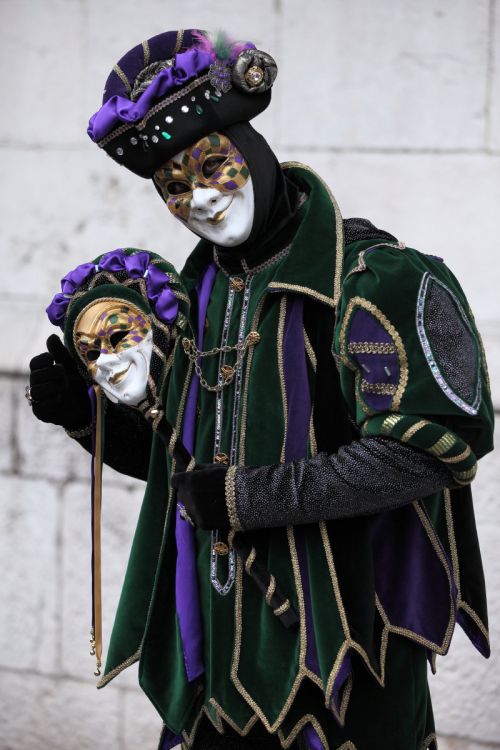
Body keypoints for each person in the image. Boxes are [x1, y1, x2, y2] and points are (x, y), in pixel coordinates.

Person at [28, 28, 494, 750]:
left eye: (216, 168)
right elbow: (187, 474)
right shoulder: (201, 294)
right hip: (215, 664)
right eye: (175, 189)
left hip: (346, 659)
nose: (203, 201)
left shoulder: (376, 278)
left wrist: (250, 499)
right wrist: (87, 423)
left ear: (252, 150)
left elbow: (433, 450)